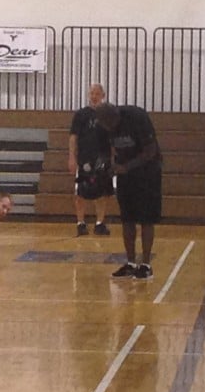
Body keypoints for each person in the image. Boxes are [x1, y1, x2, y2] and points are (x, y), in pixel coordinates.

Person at [94, 102, 162, 280]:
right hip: (124, 172)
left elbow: (151, 150)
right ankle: (131, 263)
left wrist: (127, 166)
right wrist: (103, 168)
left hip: (148, 171)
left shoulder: (137, 117)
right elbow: (103, 152)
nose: (111, 128)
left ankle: (146, 265)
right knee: (127, 217)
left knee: (147, 218)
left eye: (112, 124)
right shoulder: (102, 126)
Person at [68, 83, 112, 236]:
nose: (94, 96)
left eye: (97, 94)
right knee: (80, 192)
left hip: (103, 158)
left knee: (103, 192)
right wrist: (72, 157)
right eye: (92, 93)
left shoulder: (107, 114)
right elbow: (73, 137)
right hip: (84, 158)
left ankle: (100, 223)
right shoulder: (81, 114)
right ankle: (81, 223)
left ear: (103, 96)